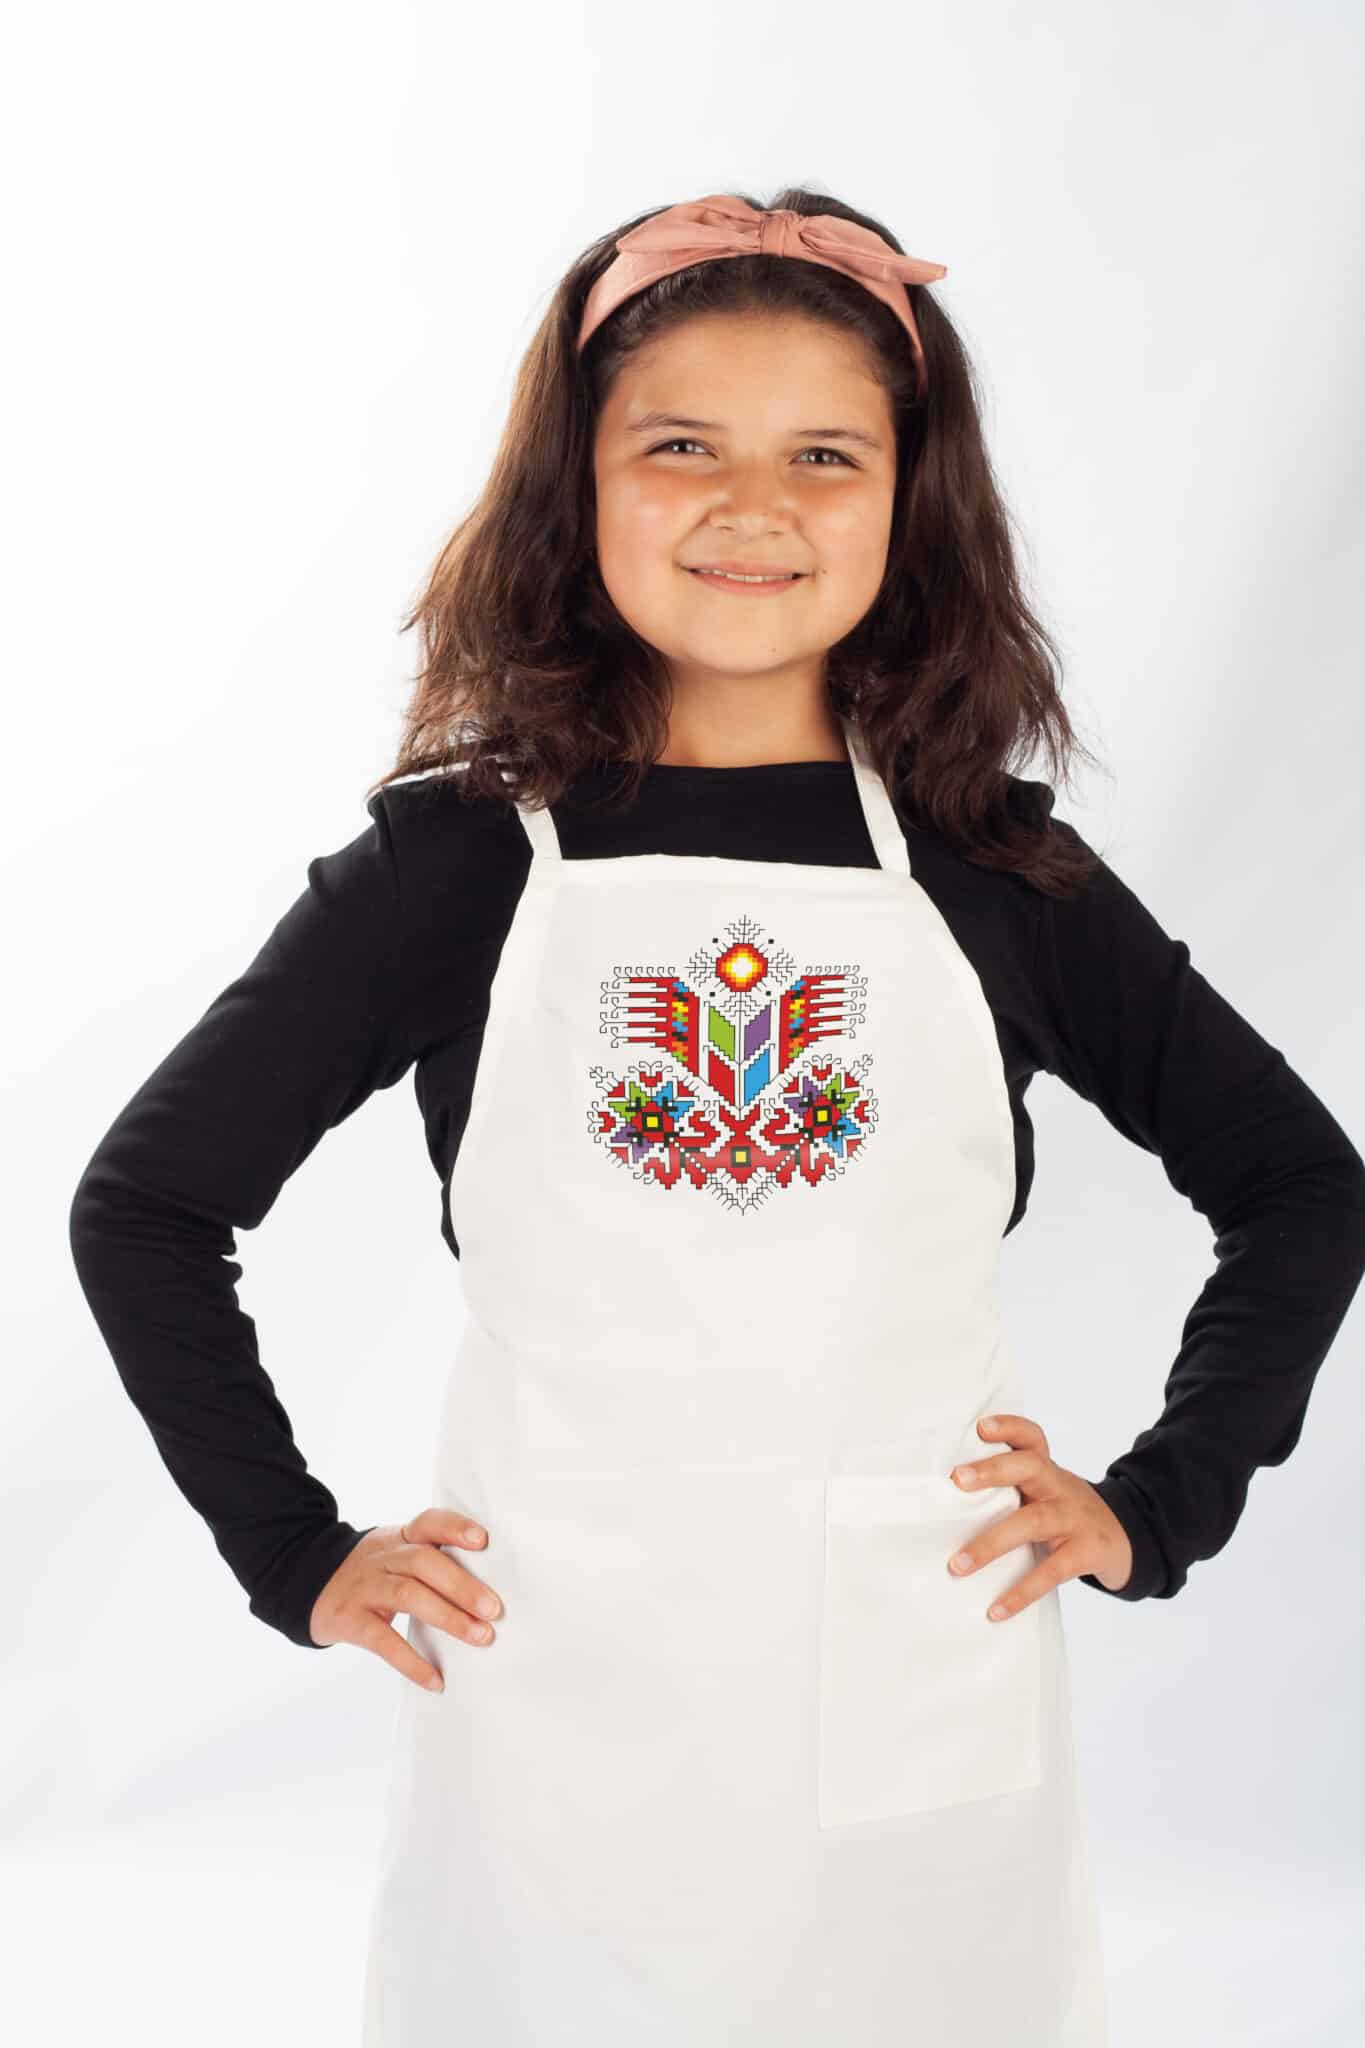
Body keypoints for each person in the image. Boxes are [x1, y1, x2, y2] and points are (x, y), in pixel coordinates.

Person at [68, 188, 1365, 2045]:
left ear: (910, 502)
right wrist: (293, 1549)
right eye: (678, 445)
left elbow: (1299, 1185)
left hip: (916, 1673)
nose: (752, 506)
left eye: (824, 455)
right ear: (575, 487)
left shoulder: (994, 872)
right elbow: (147, 1206)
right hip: (553, 1689)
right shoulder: (454, 865)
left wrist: (1158, 1506)